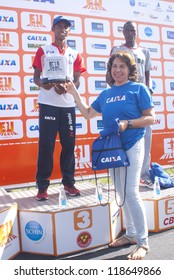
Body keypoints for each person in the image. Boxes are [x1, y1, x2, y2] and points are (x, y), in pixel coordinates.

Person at [66, 51, 155, 260]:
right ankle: (131, 234)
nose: (118, 71)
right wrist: (73, 93)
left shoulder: (138, 89)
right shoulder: (106, 94)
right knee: (120, 193)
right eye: (114, 66)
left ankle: (143, 242)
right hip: (112, 148)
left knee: (131, 192)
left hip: (132, 143)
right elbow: (89, 113)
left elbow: (151, 118)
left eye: (122, 66)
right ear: (110, 70)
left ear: (130, 70)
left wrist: (128, 124)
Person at [33, 16, 86, 200]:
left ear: (68, 31)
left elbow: (77, 79)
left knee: (69, 145)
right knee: (46, 146)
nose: (62, 29)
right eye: (59, 26)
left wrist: (69, 88)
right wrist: (44, 85)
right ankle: (42, 186)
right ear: (53, 29)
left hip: (68, 105)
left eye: (66, 27)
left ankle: (69, 184)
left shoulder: (75, 53)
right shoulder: (43, 50)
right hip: (48, 104)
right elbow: (36, 78)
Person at [106, 21, 154, 189]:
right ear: (123, 32)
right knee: (119, 134)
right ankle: (119, 176)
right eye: (126, 30)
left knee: (145, 135)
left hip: (139, 97)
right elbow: (109, 74)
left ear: (136, 32)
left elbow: (147, 75)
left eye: (132, 30)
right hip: (124, 97)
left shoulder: (145, 51)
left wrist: (147, 90)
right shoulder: (117, 50)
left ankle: (144, 175)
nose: (129, 32)